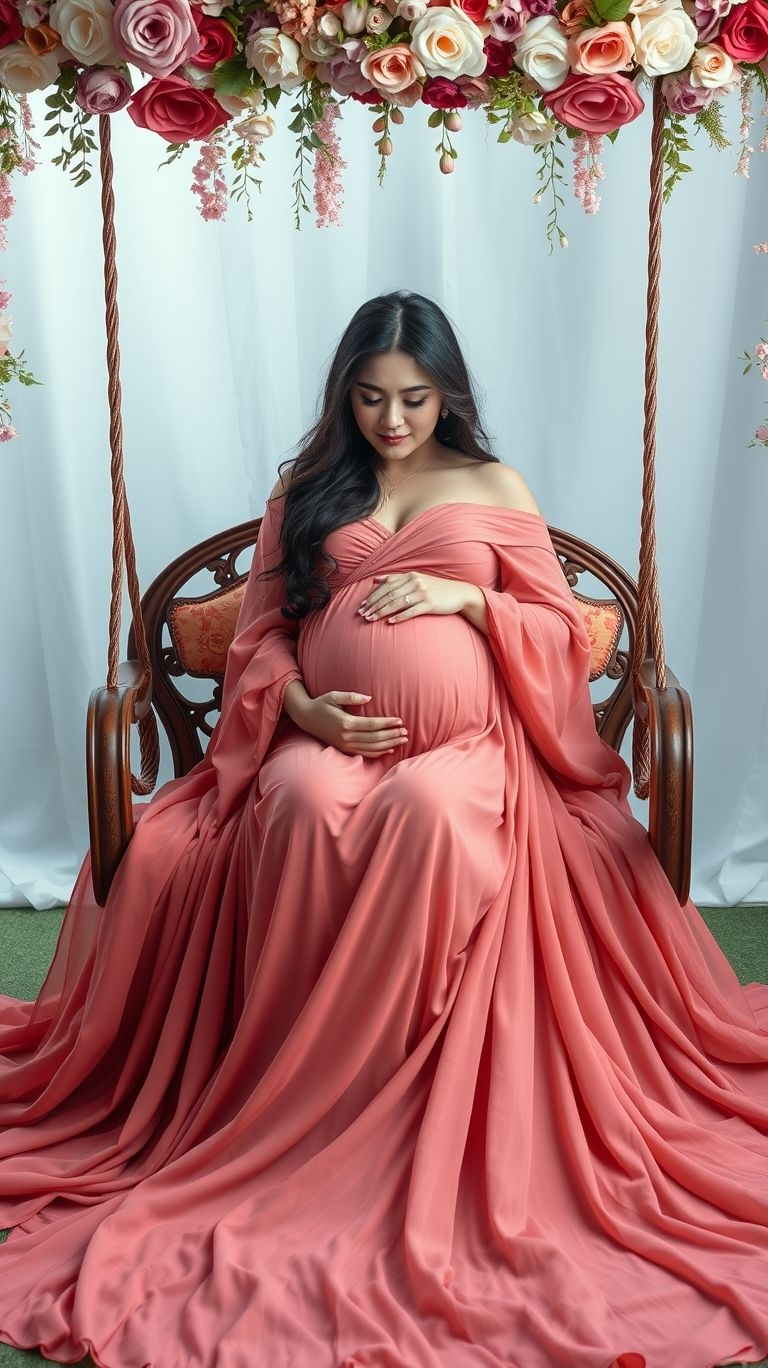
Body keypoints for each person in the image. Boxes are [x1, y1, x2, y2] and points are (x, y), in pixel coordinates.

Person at [1, 290, 767, 1368]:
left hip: (468, 756)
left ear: (448, 393)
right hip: (322, 743)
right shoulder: (309, 490)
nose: (391, 420)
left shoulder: (493, 487)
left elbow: (559, 628)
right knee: (302, 805)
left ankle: (397, 1088)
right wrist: (299, 708)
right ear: (343, 396)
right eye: (370, 398)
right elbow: (261, 635)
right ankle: (298, 1089)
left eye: (412, 398)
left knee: (429, 818)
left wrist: (470, 607)